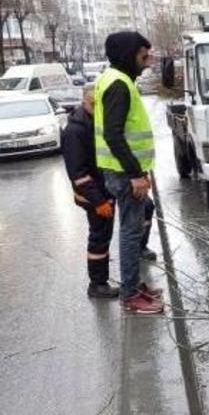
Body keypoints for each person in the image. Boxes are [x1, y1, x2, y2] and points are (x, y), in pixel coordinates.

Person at [62, 90, 159, 299]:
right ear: (84, 103)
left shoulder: (100, 123)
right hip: (92, 192)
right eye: (93, 105)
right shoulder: (74, 131)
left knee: (147, 207)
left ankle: (140, 247)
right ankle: (97, 284)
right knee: (100, 234)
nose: (98, 109)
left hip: (112, 184)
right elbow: (78, 174)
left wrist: (138, 175)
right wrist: (98, 201)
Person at [94, 31, 163, 314]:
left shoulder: (115, 79)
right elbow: (113, 134)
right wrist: (136, 174)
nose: (147, 63)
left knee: (145, 210)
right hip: (124, 173)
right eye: (142, 56)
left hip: (120, 170)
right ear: (127, 55)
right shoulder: (119, 85)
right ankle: (130, 294)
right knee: (131, 232)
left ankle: (133, 285)